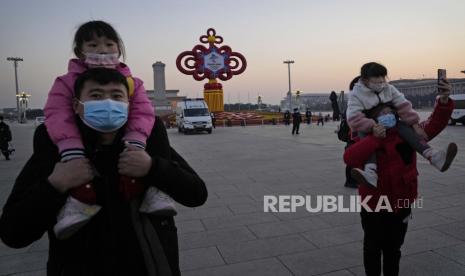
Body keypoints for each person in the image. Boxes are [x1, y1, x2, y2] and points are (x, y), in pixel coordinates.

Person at [0, 68, 208, 276]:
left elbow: (197, 194)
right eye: (96, 96)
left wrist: (153, 167)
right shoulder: (56, 152)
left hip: (149, 265)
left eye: (117, 96)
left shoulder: (146, 145)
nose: (107, 103)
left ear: (128, 105)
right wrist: (54, 185)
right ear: (76, 105)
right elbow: (13, 234)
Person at [43, 20, 175, 239]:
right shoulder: (66, 83)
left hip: (147, 252)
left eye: (108, 44)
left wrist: (137, 143)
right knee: (77, 170)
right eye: (93, 45)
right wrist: (69, 149)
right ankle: (77, 202)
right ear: (80, 51)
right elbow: (58, 115)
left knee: (148, 143)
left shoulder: (133, 83)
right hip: (73, 148)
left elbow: (142, 113)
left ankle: (155, 191)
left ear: (119, 49)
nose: (102, 50)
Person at [344, 79, 455, 276]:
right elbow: (350, 157)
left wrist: (444, 101)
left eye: (389, 110)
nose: (386, 114)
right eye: (380, 112)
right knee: (372, 247)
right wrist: (373, 138)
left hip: (403, 199)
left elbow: (431, 126)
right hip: (374, 202)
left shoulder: (406, 131)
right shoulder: (361, 133)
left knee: (394, 249)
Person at [347, 62, 457, 187]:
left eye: (383, 80)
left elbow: (404, 105)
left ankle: (433, 156)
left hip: (404, 193)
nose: (381, 84)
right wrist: (373, 132)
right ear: (365, 81)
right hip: (375, 199)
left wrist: (442, 102)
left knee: (403, 126)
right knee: (364, 133)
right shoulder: (358, 131)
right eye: (377, 82)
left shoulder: (403, 127)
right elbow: (350, 158)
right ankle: (371, 171)